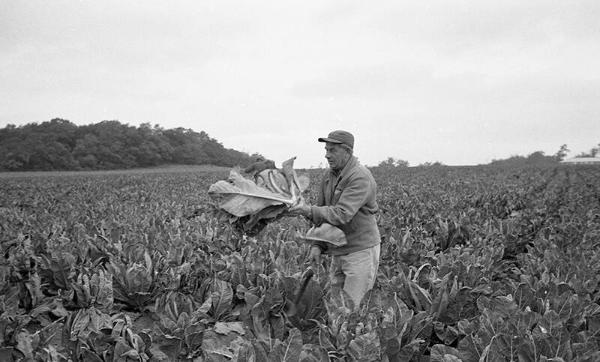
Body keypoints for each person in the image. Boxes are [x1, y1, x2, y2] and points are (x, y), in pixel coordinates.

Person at [289, 130, 381, 309]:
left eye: (332, 150)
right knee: (337, 307)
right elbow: (323, 213)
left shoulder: (360, 177)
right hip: (338, 251)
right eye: (326, 150)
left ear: (347, 151)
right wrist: (317, 245)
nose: (327, 155)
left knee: (353, 309)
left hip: (359, 251)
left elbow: (341, 214)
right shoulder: (328, 176)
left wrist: (307, 210)